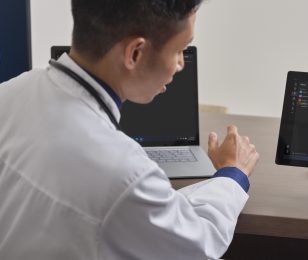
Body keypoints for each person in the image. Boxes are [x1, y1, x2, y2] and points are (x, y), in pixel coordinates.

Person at [0, 0, 259, 259]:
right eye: (180, 49)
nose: (181, 64)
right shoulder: (123, 172)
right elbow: (198, 245)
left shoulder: (10, 93)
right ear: (135, 53)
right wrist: (231, 175)